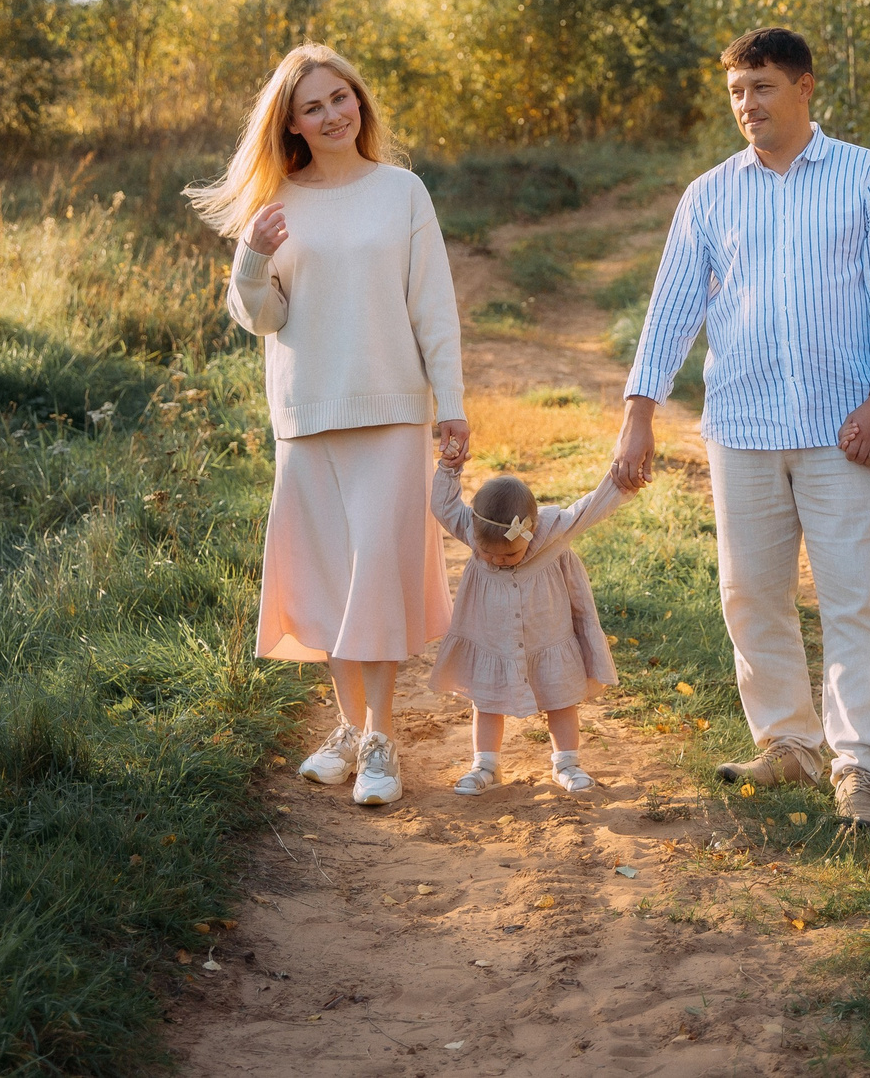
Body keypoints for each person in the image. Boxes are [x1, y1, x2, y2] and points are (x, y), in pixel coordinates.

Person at [612, 27, 870, 829]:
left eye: (761, 87)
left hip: (842, 427)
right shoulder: (711, 194)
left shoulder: (868, 178)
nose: (746, 105)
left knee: (854, 596)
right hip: (742, 424)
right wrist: (638, 413)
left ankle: (858, 763)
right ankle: (790, 743)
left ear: (804, 88)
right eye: (736, 92)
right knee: (750, 594)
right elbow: (673, 308)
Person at [187, 43, 470, 809]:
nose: (333, 112)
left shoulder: (402, 191)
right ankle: (352, 730)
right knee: (332, 583)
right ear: (293, 123)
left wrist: (452, 404)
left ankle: (380, 740)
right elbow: (264, 316)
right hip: (307, 417)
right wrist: (250, 258)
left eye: (341, 96)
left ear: (359, 101)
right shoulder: (277, 204)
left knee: (376, 575)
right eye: (314, 105)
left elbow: (432, 308)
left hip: (389, 414)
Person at [426, 462, 628, 794]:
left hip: (548, 638)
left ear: (530, 531)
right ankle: (486, 765)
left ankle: (567, 763)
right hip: (494, 642)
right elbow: (443, 505)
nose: (496, 560)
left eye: (509, 554)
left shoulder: (554, 532)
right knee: (487, 701)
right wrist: (449, 469)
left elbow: (589, 508)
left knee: (560, 699)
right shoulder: (473, 529)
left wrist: (621, 481)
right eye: (487, 554)